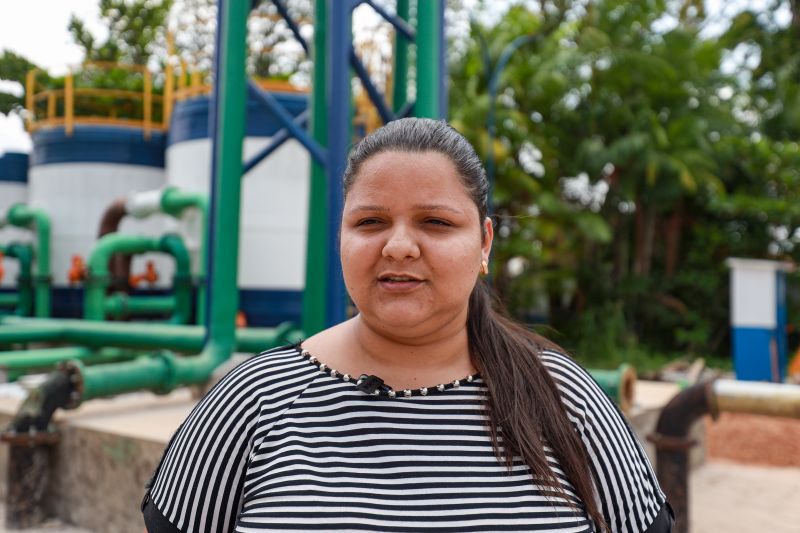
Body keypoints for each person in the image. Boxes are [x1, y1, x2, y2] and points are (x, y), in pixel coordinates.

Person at [142, 118, 674, 532]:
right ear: (341, 237)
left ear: (485, 243)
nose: (398, 246)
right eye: (370, 222)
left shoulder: (566, 397)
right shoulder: (251, 400)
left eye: (436, 222)